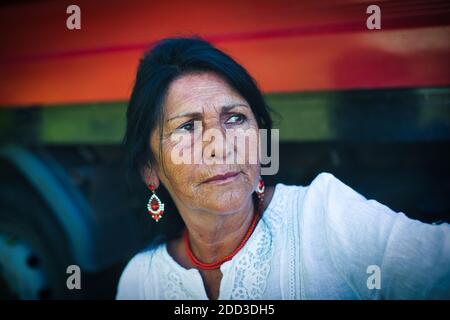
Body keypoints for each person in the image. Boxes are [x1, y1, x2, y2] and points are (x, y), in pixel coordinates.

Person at [116, 37, 450, 300]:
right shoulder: (141, 282)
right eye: (187, 127)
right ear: (150, 169)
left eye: (235, 118)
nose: (220, 144)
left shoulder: (322, 219)